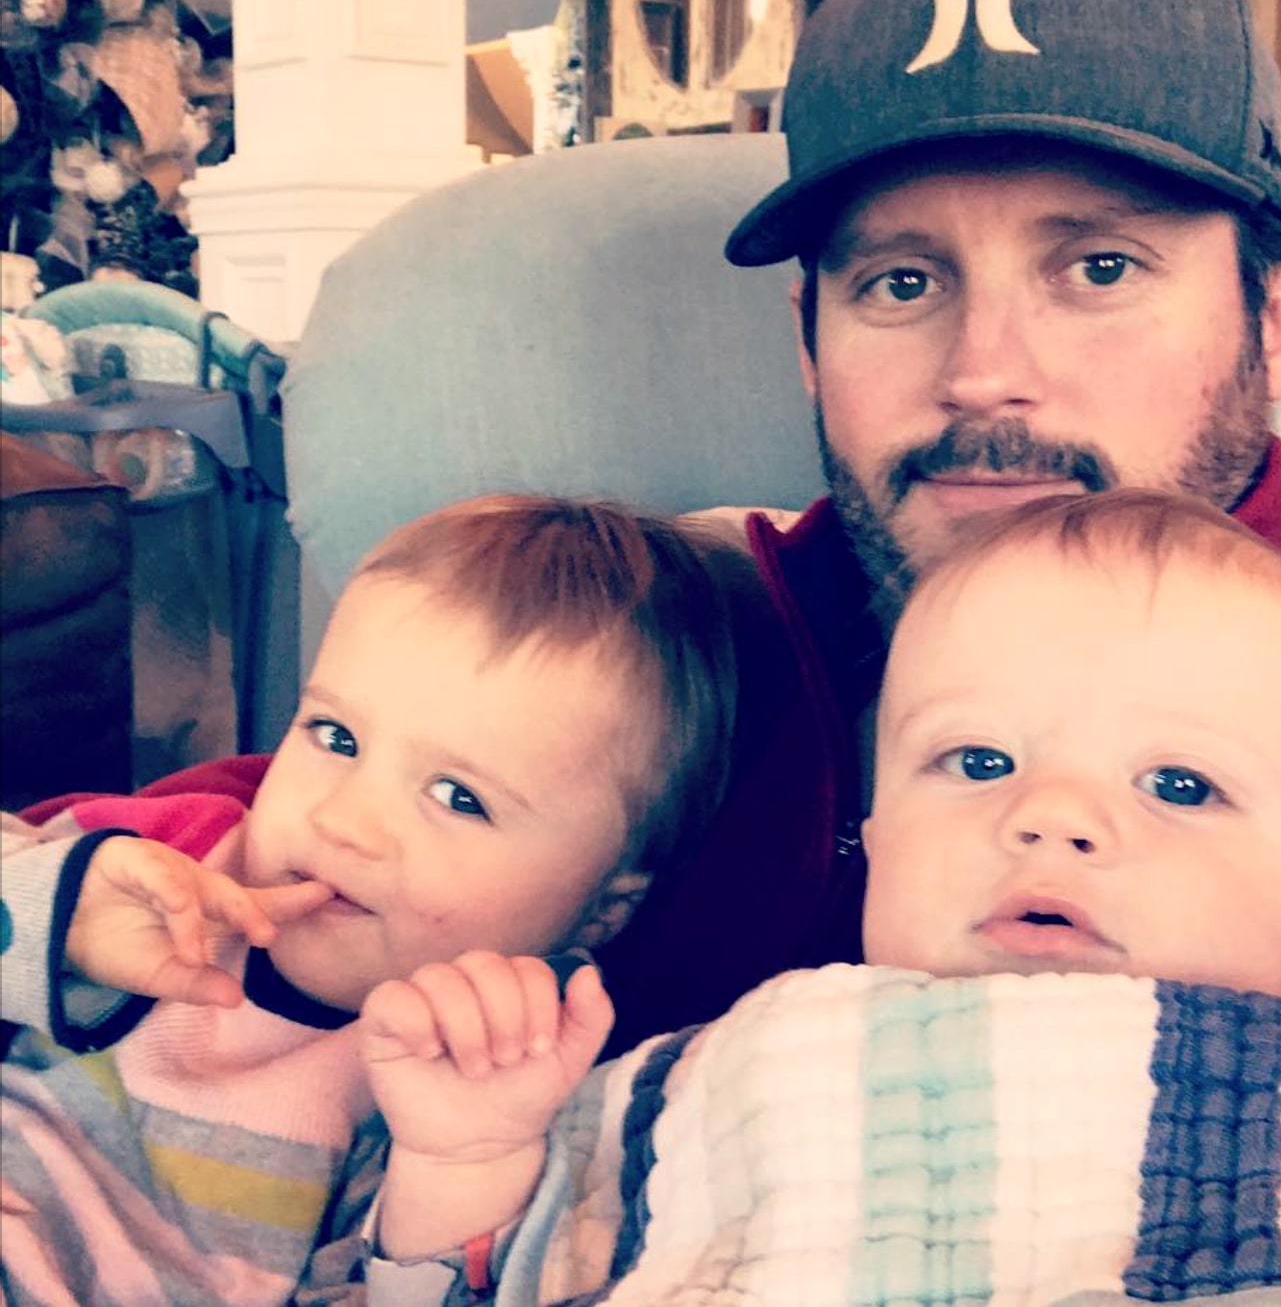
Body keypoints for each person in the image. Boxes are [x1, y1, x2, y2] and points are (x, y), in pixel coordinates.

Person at [582, 0, 1281, 1221]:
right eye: (902, 282)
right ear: (807, 343)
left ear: (1279, 315)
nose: (983, 374)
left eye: (1099, 267)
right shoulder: (648, 661)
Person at [356, 492, 1281, 1304]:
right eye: (976, 760)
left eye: (1178, 784)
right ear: (871, 845)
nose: (1048, 815)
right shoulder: (718, 1059)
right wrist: (466, 1162)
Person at [0, 495, 756, 1307]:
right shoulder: (169, 850)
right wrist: (59, 917)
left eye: (459, 797)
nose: (344, 820)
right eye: (336, 738)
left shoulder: (492, 1084)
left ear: (602, 911)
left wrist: (457, 1167)